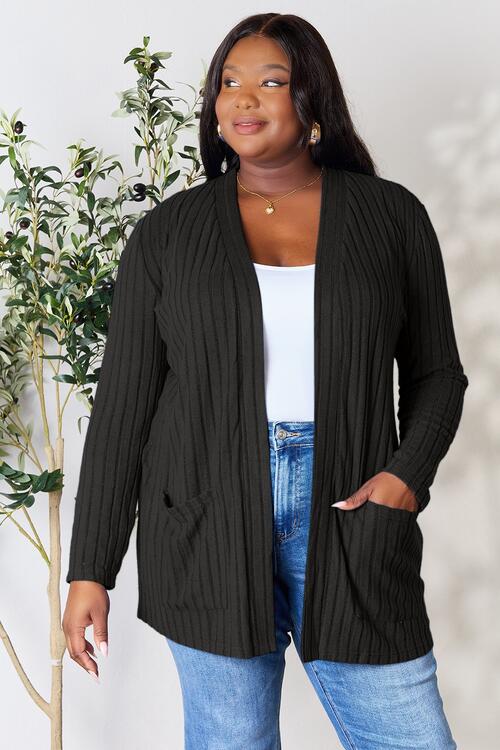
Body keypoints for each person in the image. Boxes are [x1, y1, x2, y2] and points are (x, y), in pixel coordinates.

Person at [63, 12, 468, 749]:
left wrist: (405, 477)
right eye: (229, 82)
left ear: (312, 101)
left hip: (352, 512)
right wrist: (90, 569)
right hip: (205, 519)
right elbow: (123, 410)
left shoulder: (391, 218)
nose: (243, 99)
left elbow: (438, 373)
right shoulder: (168, 234)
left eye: (271, 81)